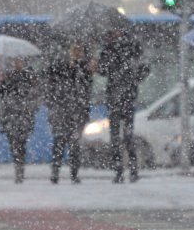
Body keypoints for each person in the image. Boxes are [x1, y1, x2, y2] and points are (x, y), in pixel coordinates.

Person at [98, 30, 148, 183]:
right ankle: (121, 170)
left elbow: (144, 68)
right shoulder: (110, 48)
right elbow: (103, 70)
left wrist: (133, 78)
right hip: (118, 97)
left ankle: (129, 170)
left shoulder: (131, 47)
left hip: (125, 97)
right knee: (118, 137)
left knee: (126, 136)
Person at [44, 42, 94, 184]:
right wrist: (69, 67)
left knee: (75, 144)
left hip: (78, 111)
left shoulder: (85, 67)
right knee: (59, 142)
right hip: (61, 110)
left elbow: (87, 87)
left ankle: (74, 174)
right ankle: (55, 173)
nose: (77, 53)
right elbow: (50, 77)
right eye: (74, 50)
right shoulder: (59, 65)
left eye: (80, 50)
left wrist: (82, 69)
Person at [0, 57, 41, 183]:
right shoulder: (7, 76)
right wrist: (1, 81)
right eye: (15, 61)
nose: (17, 64)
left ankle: (19, 169)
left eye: (19, 61)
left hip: (23, 115)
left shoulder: (28, 76)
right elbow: (0, 93)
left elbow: (35, 94)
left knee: (21, 143)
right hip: (11, 115)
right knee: (14, 143)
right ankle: (18, 166)